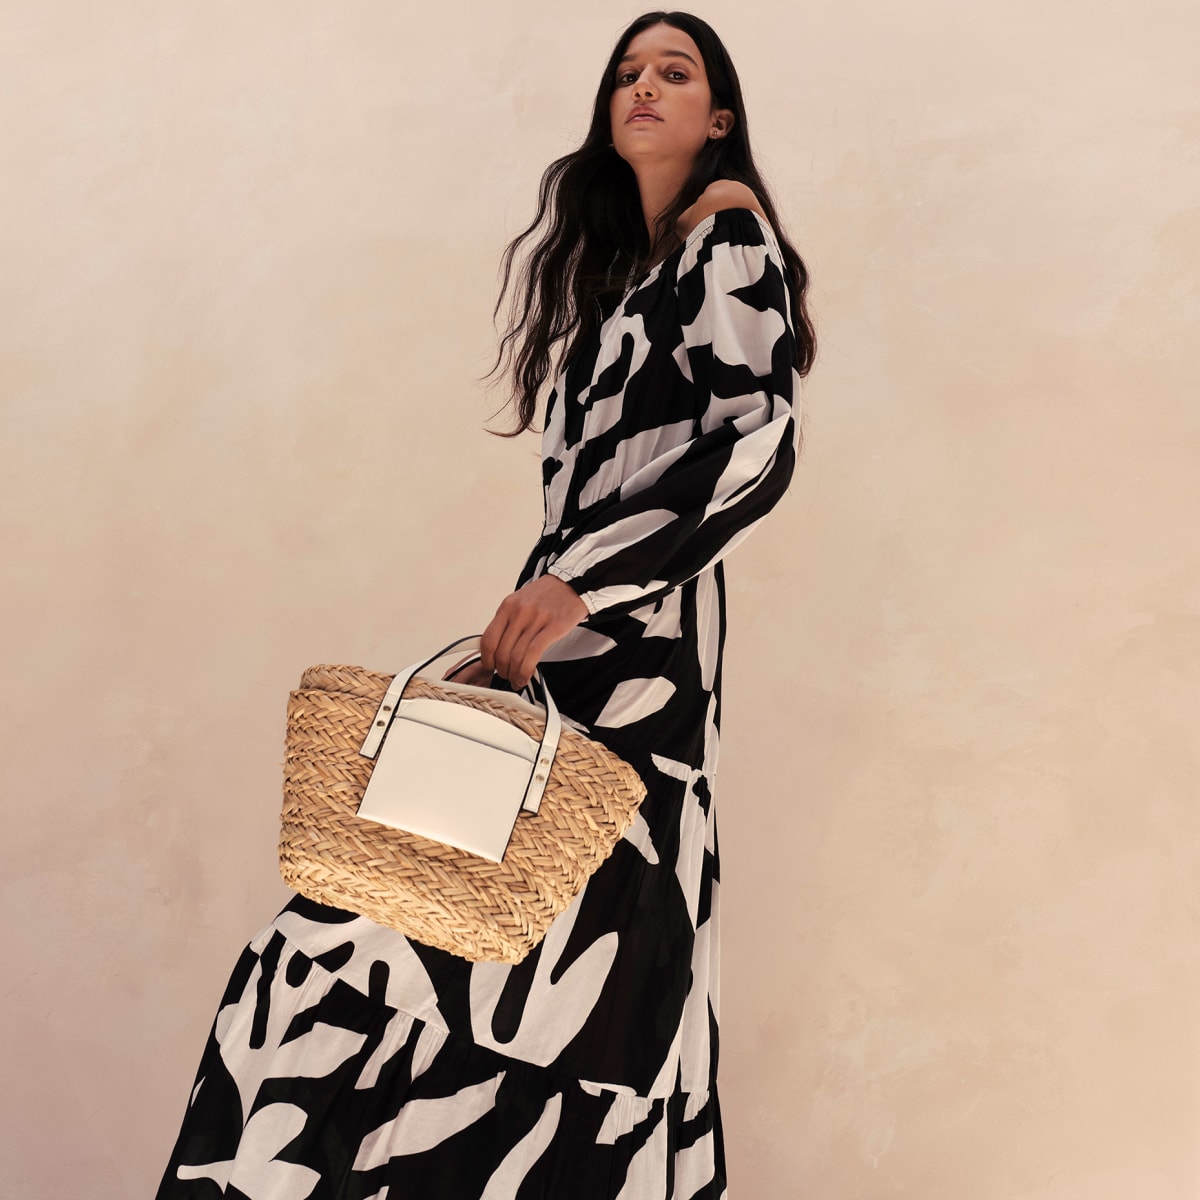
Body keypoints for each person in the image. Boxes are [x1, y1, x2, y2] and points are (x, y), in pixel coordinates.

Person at [156, 10, 815, 1198]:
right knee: (435, 946)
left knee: (537, 986)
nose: (644, 88)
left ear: (721, 120)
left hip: (642, 681)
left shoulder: (730, 240)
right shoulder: (632, 279)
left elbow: (755, 445)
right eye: (626, 73)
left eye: (676, 73)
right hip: (569, 660)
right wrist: (524, 638)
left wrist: (586, 582)